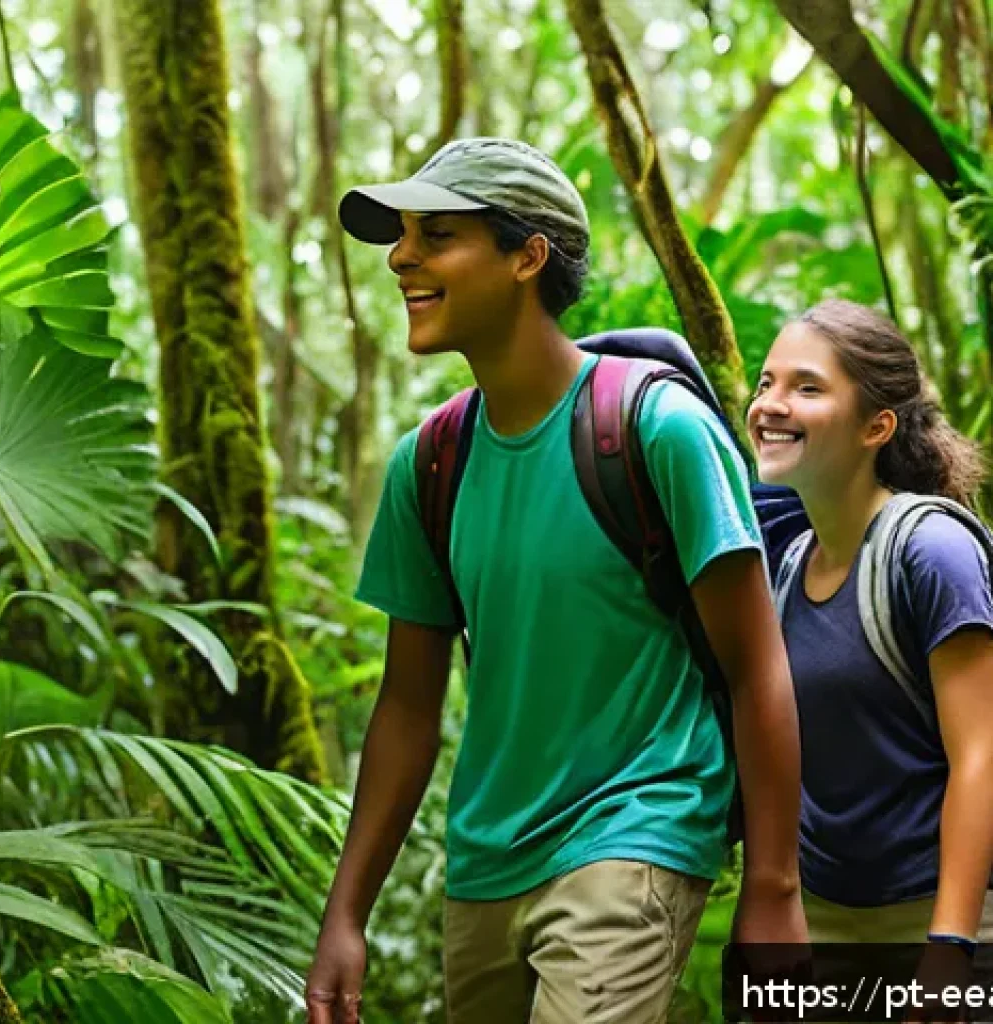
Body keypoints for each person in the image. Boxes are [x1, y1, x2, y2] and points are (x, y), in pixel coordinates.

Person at [305, 137, 806, 1024]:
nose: (402, 257)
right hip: (487, 861)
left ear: (527, 256)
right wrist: (347, 912)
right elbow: (408, 708)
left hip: (635, 830)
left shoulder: (657, 429)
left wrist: (772, 887)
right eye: (403, 235)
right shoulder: (428, 465)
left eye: (438, 234)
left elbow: (754, 665)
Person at [747, 298, 993, 958]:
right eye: (766, 382)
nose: (770, 403)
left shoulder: (933, 551)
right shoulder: (790, 565)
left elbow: (982, 754)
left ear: (876, 426)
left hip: (941, 921)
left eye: (807, 387)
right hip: (823, 925)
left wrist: (951, 946)